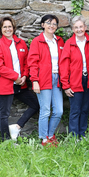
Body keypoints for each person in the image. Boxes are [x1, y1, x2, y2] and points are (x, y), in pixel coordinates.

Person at [0, 17, 40, 141]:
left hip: (21, 84)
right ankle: (6, 141)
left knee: (35, 105)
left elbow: (26, 62)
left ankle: (17, 126)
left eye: (10, 26)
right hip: (5, 84)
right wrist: (15, 77)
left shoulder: (21, 43)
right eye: (5, 27)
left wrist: (24, 76)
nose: (8, 29)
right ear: (0, 29)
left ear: (13, 28)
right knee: (4, 114)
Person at [28, 15, 64, 146]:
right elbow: (32, 63)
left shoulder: (59, 41)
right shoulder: (37, 41)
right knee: (45, 110)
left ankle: (50, 135)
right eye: (48, 23)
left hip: (56, 79)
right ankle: (44, 139)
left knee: (59, 110)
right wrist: (35, 80)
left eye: (54, 23)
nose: (51, 25)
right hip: (43, 79)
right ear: (43, 25)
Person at [60, 16, 89, 139]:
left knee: (85, 109)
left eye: (81, 27)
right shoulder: (69, 44)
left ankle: (82, 135)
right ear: (73, 29)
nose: (79, 29)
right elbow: (64, 66)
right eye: (76, 27)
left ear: (85, 27)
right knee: (75, 110)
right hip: (75, 81)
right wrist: (66, 85)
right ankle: (74, 137)